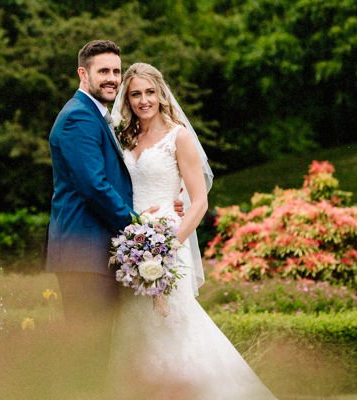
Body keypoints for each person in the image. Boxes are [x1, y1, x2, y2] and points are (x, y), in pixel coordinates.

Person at [109, 63, 277, 399]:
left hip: (169, 240)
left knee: (175, 322)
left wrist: (169, 245)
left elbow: (198, 201)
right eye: (136, 94)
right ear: (127, 99)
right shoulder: (125, 137)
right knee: (136, 325)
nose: (144, 100)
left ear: (161, 93)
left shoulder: (179, 136)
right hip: (134, 242)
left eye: (150, 92)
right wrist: (136, 239)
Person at [45, 41, 181, 386]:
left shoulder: (97, 115)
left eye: (116, 71)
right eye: (103, 71)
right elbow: (94, 187)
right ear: (83, 73)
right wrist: (139, 230)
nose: (112, 78)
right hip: (84, 253)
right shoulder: (78, 116)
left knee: (97, 352)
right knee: (88, 353)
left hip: (95, 254)